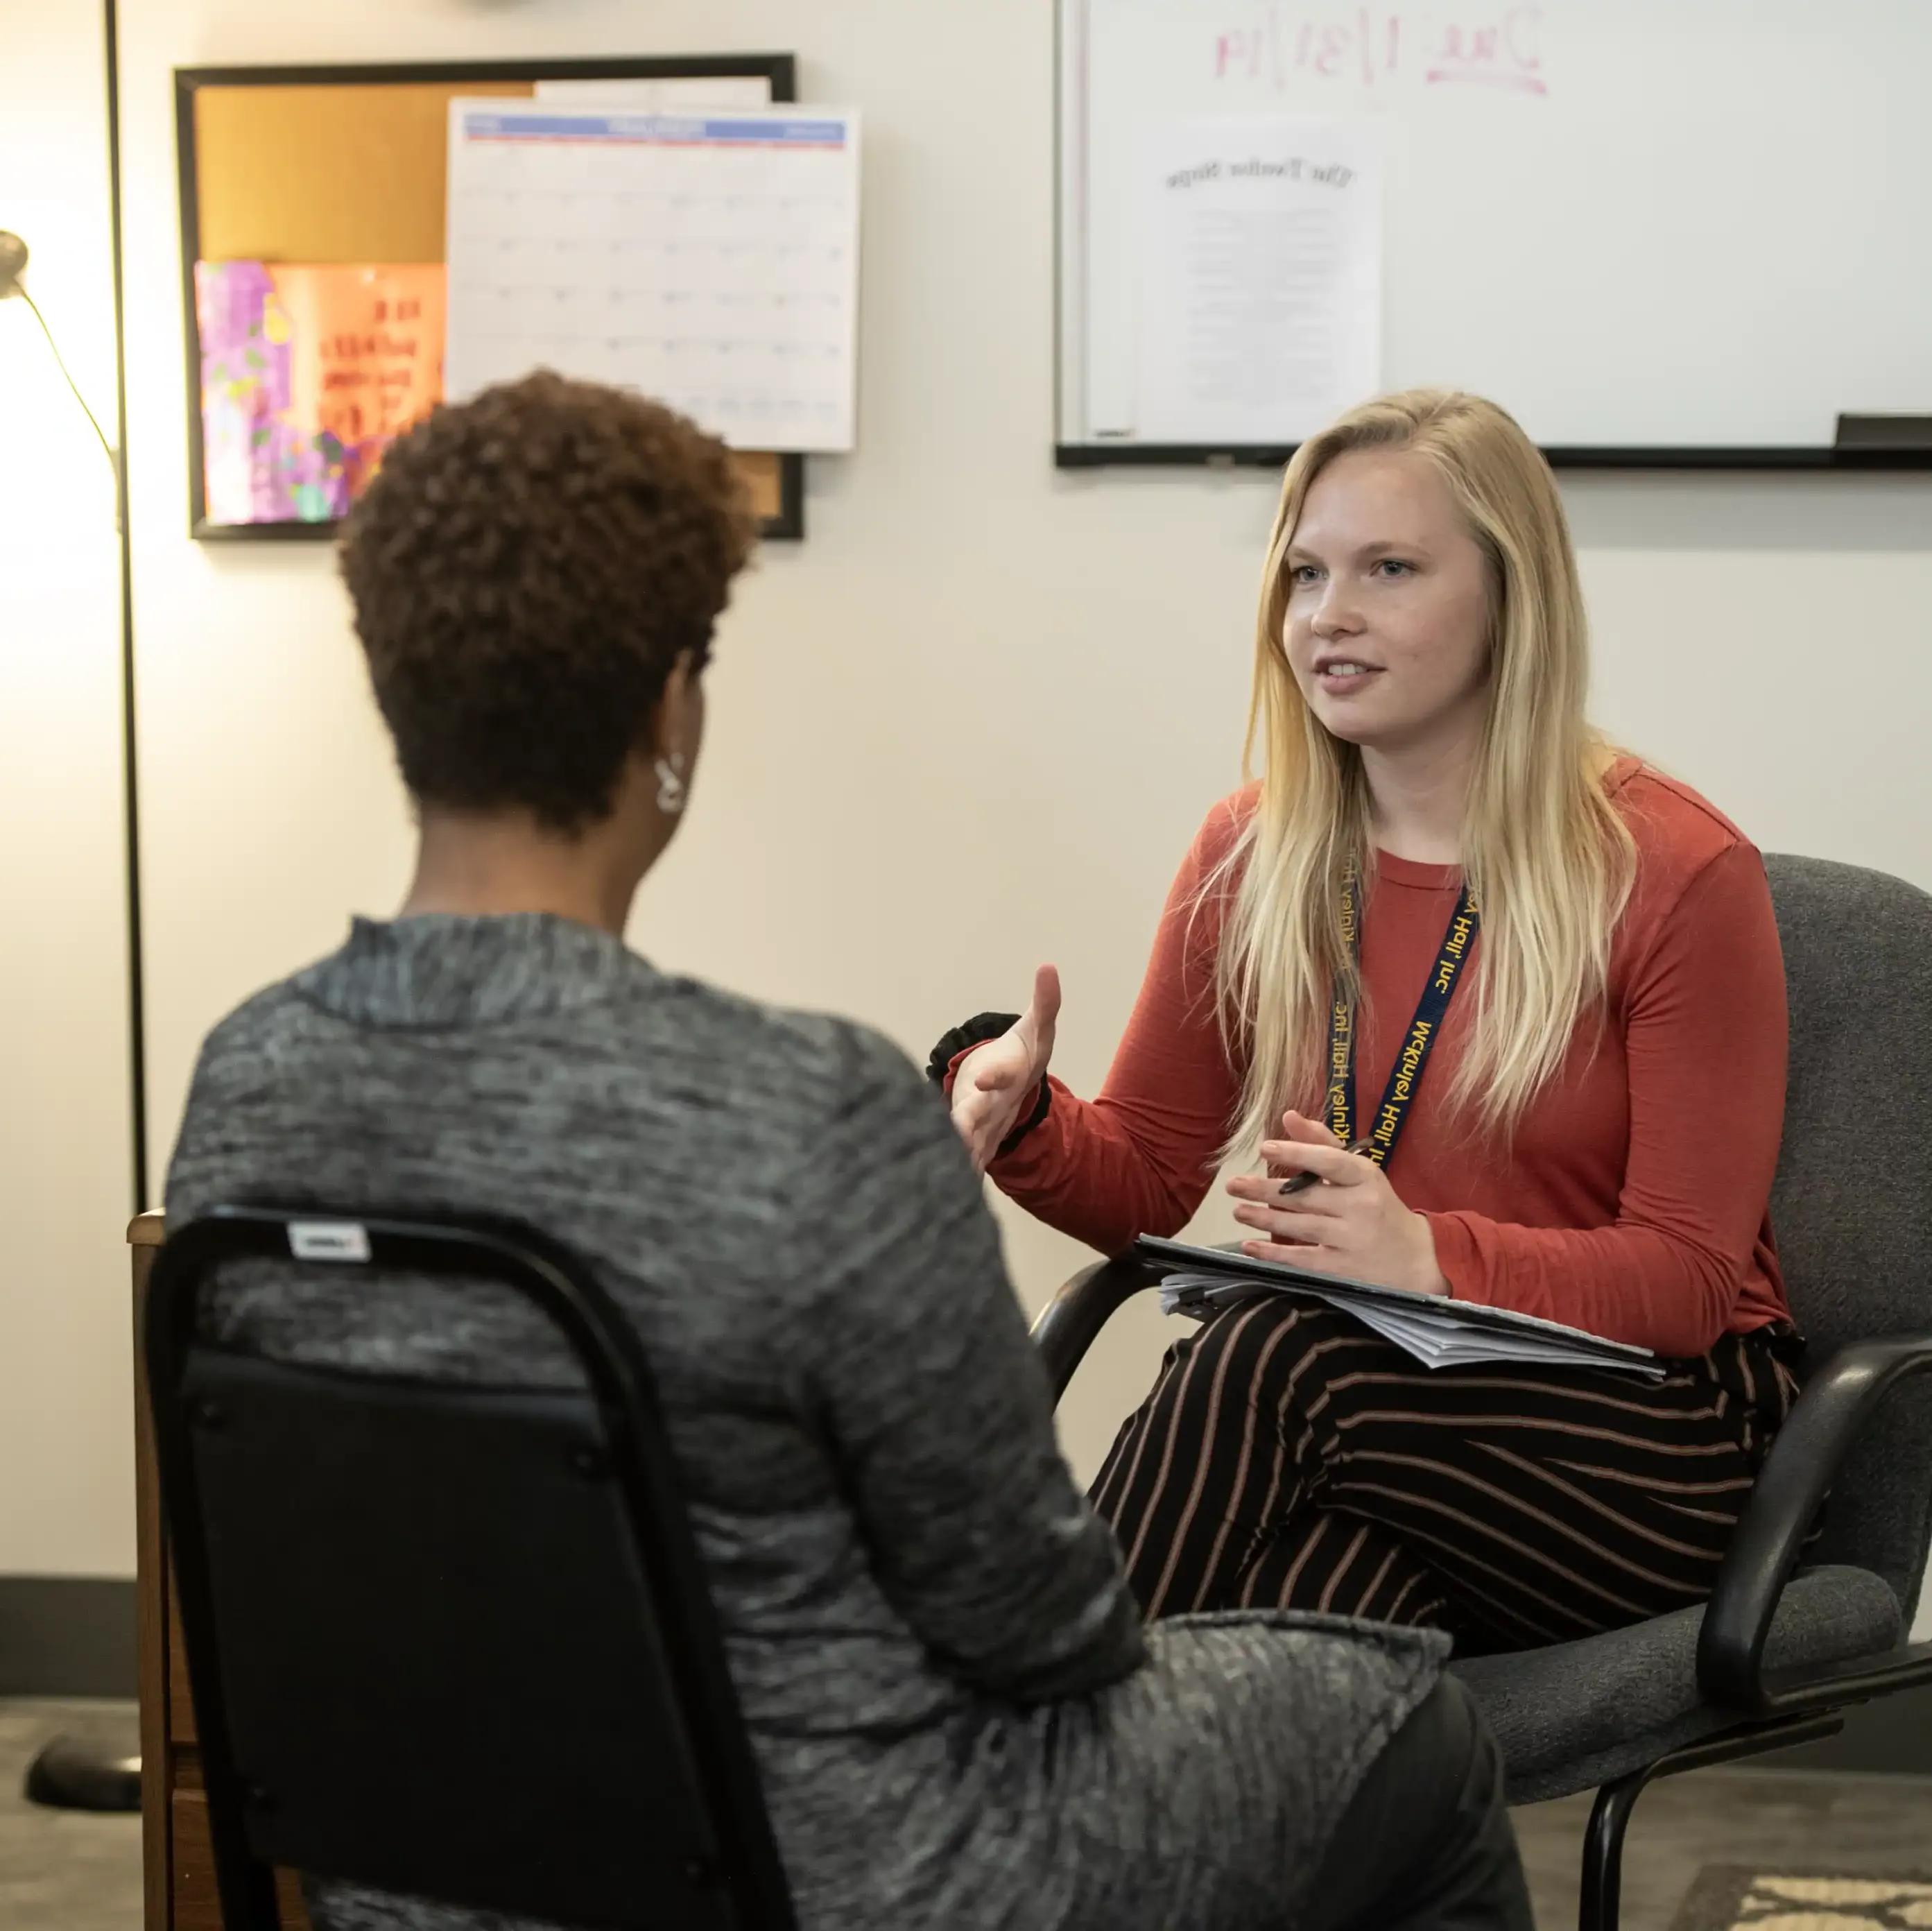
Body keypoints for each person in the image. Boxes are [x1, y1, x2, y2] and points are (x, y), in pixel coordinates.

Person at [165, 372, 1531, 1931]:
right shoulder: (806, 1110)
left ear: (390, 686)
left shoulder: (251, 1087)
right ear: (672, 707)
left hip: (430, 1874)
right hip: (860, 1874)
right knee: (1406, 1725)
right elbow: (1044, 1633)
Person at [940, 388, 1802, 1648]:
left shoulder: (1668, 869)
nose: (1325, 617)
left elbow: (1680, 1283)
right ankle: (1099, 1812)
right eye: (1302, 573)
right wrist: (1017, 1116)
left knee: (1271, 1348)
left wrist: (1423, 1256)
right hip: (1381, 1412)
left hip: (1654, 1432)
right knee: (1305, 1636)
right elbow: (1142, 1180)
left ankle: (1008, 1765)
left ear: (1510, 597)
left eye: (1387, 569)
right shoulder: (1258, 849)